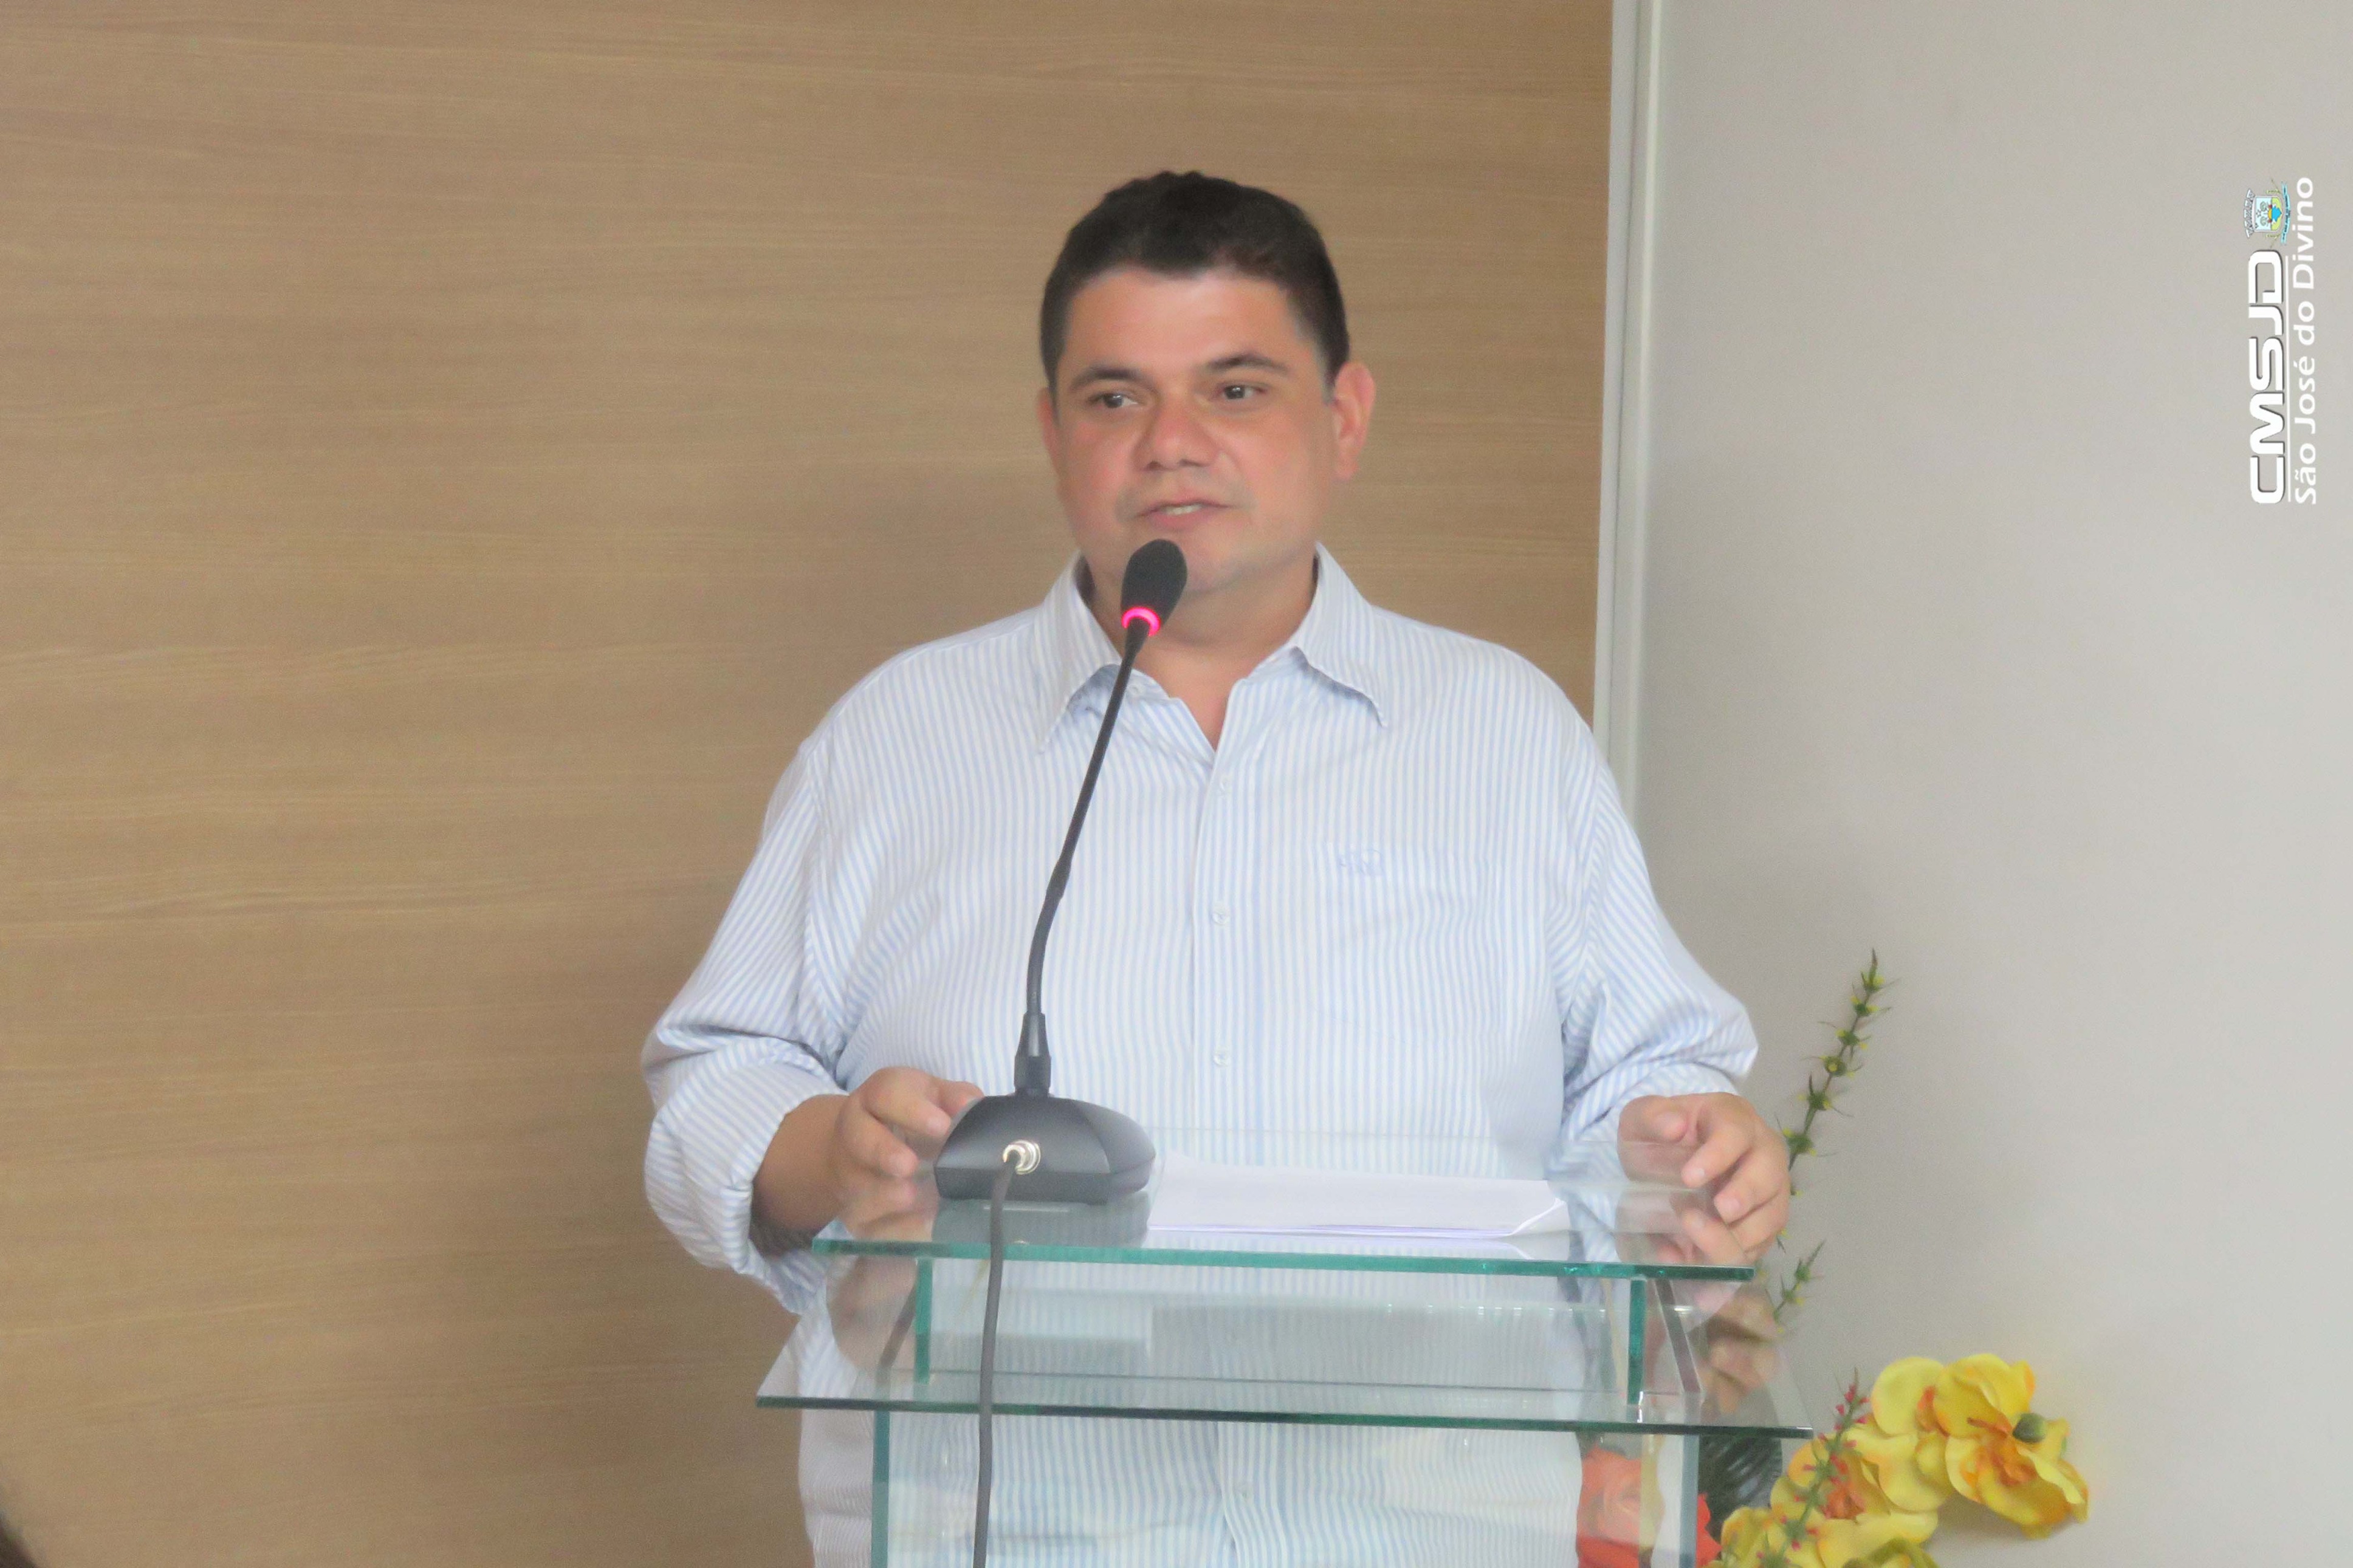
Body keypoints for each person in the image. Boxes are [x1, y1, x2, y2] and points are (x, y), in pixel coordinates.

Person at [643, 171, 1788, 1566]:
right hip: (1010, 1531)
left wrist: (1687, 1150)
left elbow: (1644, 1079)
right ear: (1054, 432)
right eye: (1114, 397)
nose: (1170, 444)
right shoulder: (899, 737)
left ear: (1344, 416)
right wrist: (834, 1147)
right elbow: (715, 1076)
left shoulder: (1505, 733)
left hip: (1421, 1532)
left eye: (1235, 389)